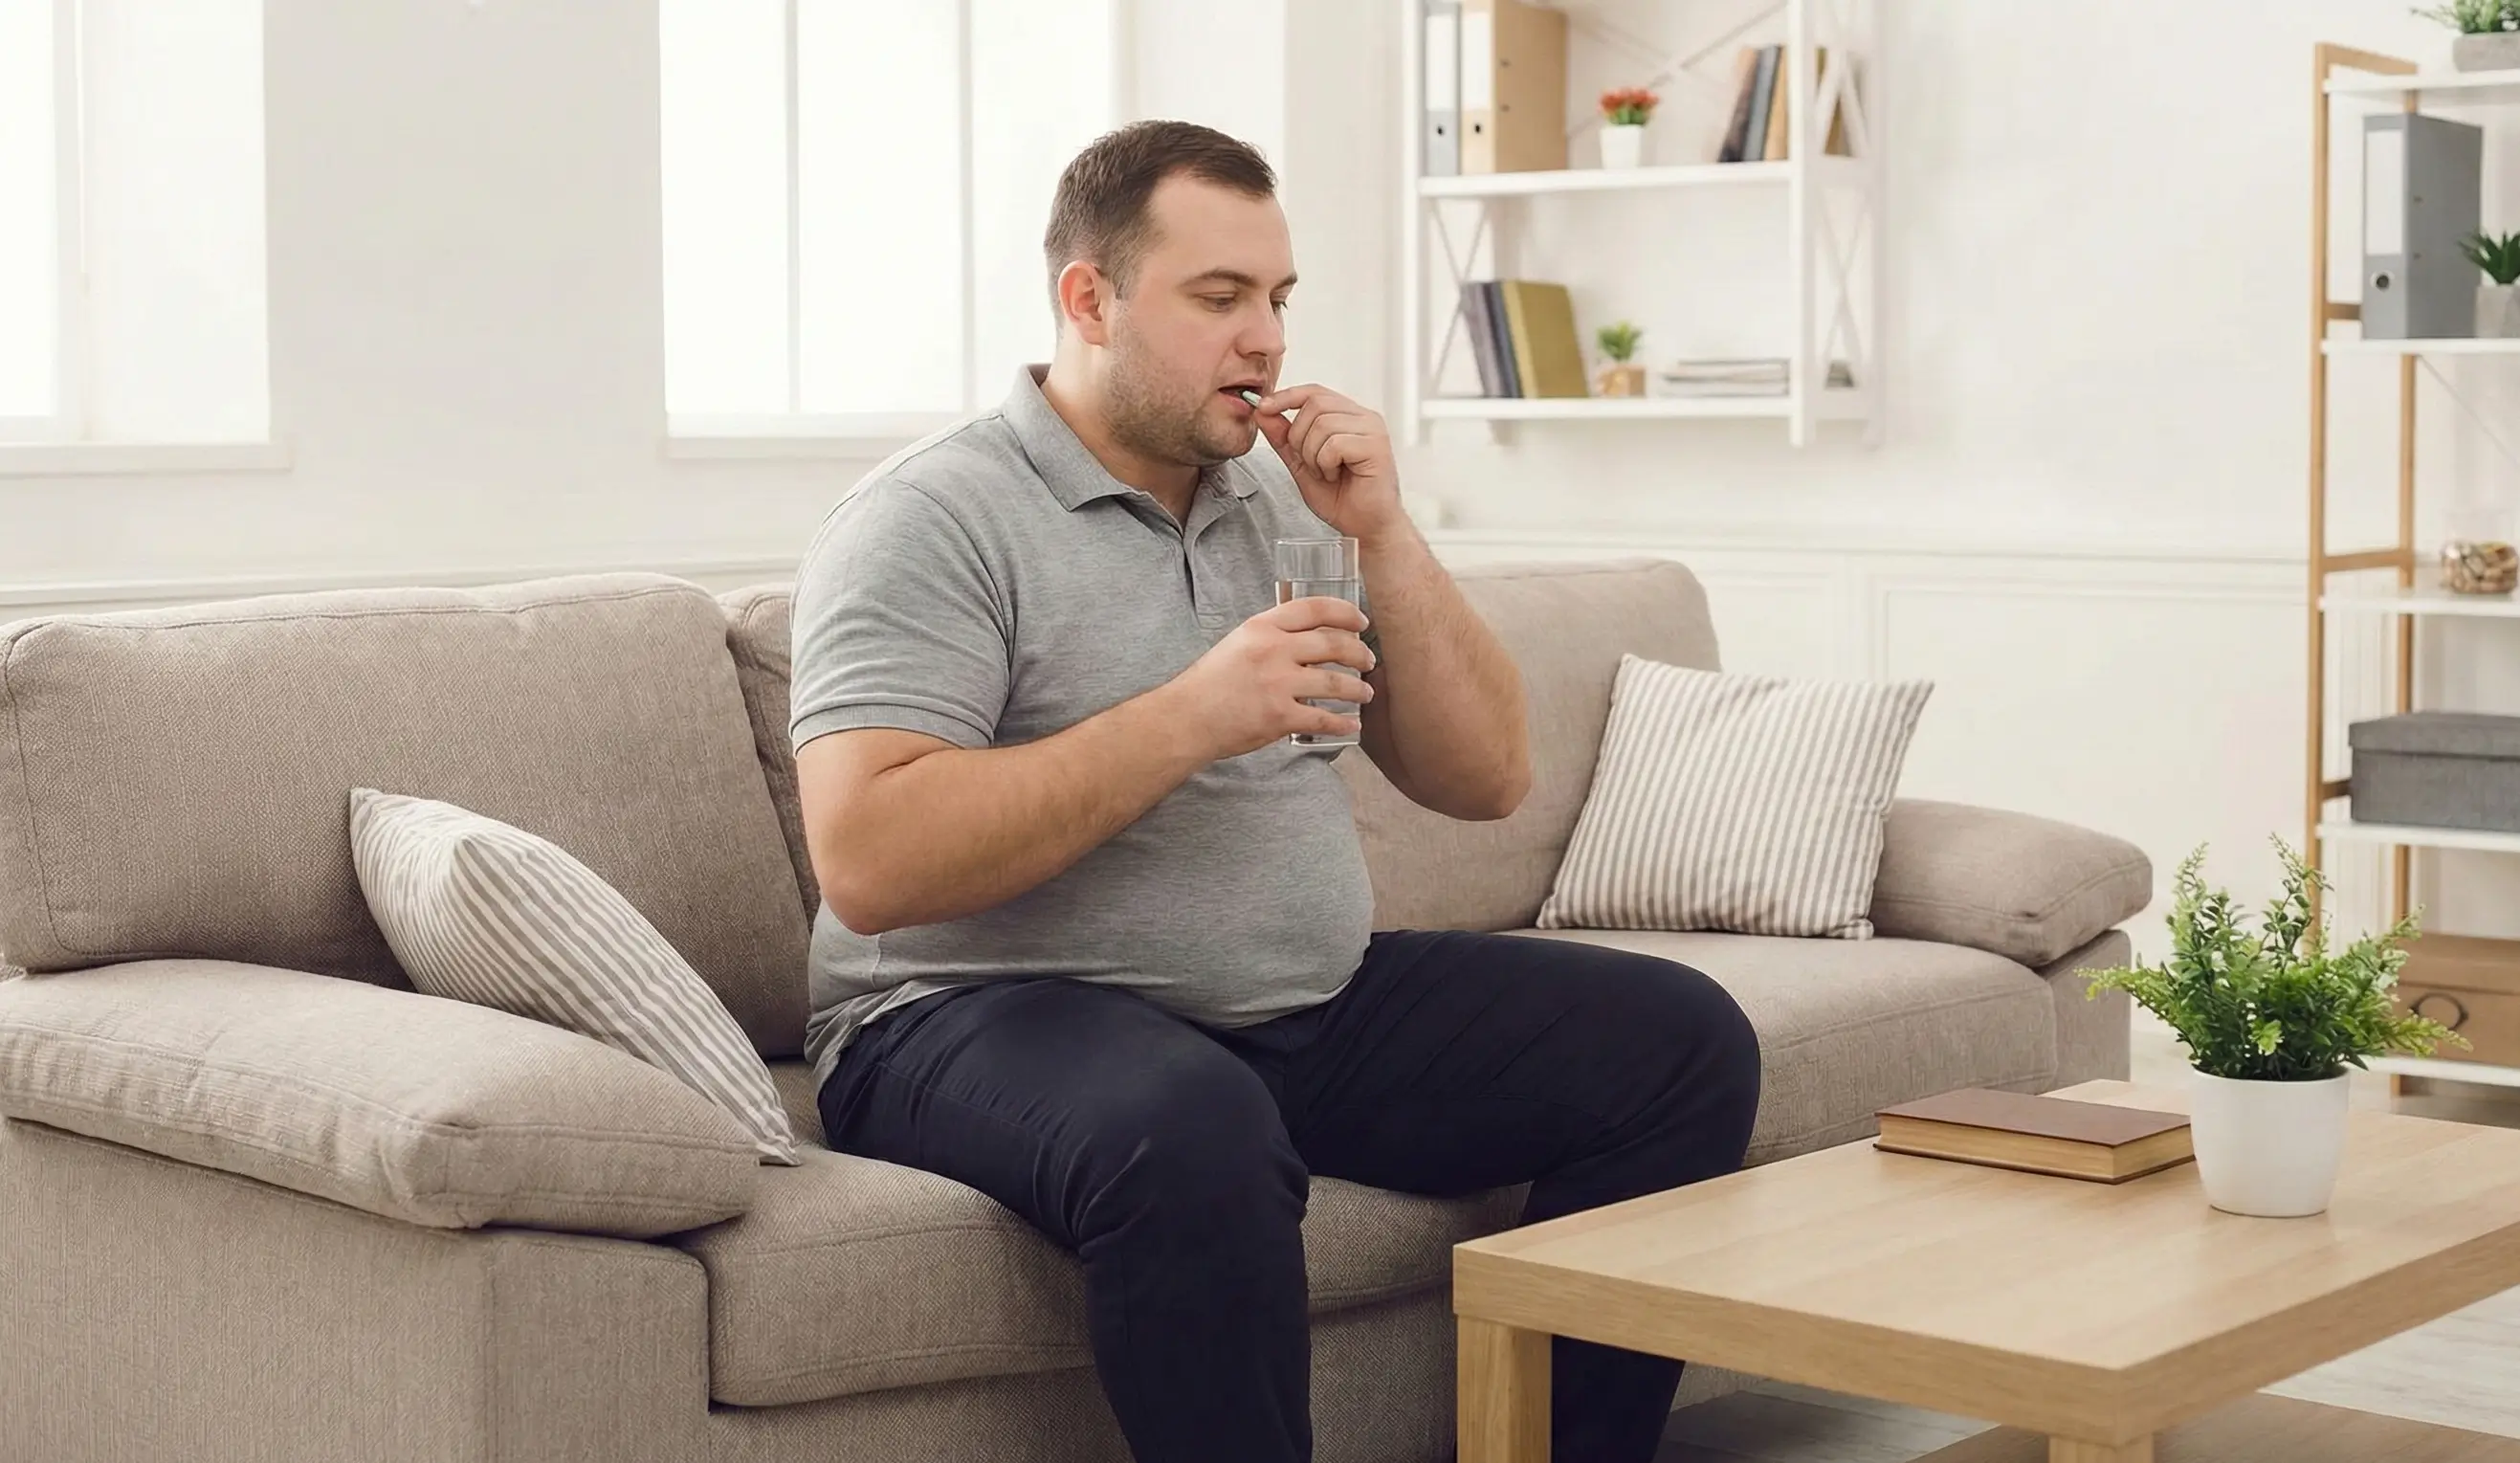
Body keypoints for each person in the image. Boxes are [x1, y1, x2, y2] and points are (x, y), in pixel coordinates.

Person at [789, 119, 1760, 1463]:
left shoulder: (1289, 504)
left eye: (1278, 299)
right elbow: (870, 861)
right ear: (1089, 299)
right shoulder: (931, 518)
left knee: (1676, 1041)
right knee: (1187, 1129)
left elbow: (1483, 780)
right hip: (962, 1015)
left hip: (1293, 1009)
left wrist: (1383, 531)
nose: (1265, 340)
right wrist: (1189, 716)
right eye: (1218, 298)